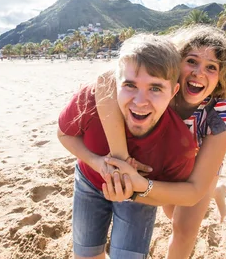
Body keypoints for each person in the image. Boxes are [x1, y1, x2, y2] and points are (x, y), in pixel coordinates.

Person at [97, 25, 226, 259]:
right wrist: (121, 159)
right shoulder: (158, 91)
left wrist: (134, 187)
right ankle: (214, 192)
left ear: (220, 77)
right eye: (191, 61)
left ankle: (212, 189)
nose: (198, 73)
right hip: (166, 162)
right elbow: (106, 78)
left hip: (198, 169)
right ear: (175, 61)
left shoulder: (220, 115)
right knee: (171, 212)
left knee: (184, 229)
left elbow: (191, 191)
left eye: (211, 67)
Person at [58, 34, 197, 259]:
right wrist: (97, 162)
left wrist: (137, 188)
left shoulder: (178, 145)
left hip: (140, 196)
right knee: (85, 254)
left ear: (173, 92)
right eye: (130, 85)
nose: (140, 101)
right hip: (89, 182)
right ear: (116, 82)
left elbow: (167, 196)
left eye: (155, 88)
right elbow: (64, 134)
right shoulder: (92, 99)